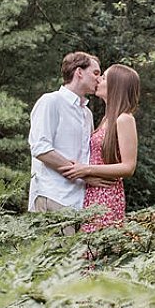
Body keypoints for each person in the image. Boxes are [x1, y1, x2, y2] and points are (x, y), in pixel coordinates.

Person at [61, 64, 140, 230]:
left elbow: (128, 167)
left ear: (115, 85)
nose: (98, 80)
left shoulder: (125, 119)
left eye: (103, 77)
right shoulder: (106, 120)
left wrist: (87, 170)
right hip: (92, 192)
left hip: (107, 193)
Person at [27, 51, 103, 213]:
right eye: (95, 73)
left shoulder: (86, 113)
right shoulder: (51, 101)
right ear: (79, 72)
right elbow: (41, 149)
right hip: (53, 195)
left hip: (81, 202)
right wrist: (83, 173)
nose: (99, 79)